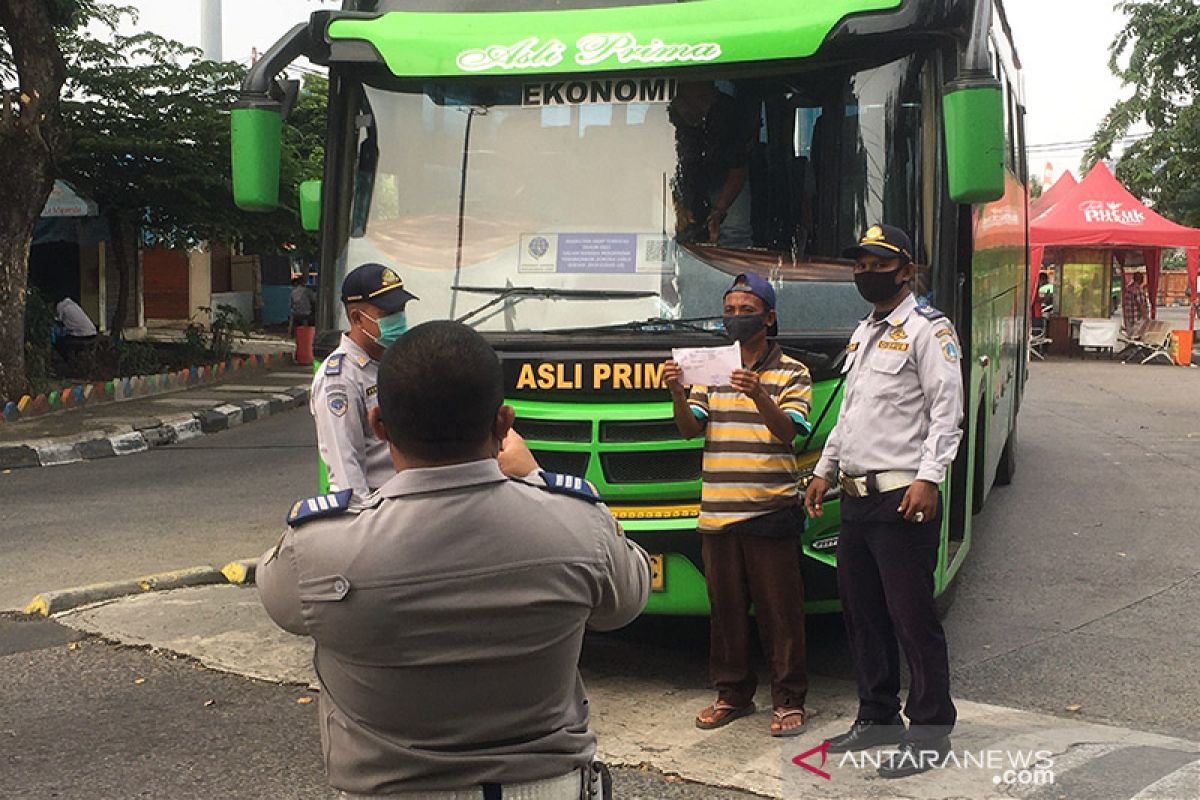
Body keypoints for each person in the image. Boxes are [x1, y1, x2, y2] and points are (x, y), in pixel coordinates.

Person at [257, 320, 651, 799]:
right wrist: (536, 477)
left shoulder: (317, 549)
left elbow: (279, 601)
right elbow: (626, 600)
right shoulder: (576, 526)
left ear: (379, 425)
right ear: (504, 424)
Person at [803, 224, 963, 778]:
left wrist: (930, 478)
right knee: (862, 615)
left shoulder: (928, 331)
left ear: (906, 271)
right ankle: (877, 715)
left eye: (877, 263)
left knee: (911, 619)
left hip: (900, 499)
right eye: (860, 263)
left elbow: (947, 413)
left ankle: (931, 731)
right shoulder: (865, 331)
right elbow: (850, 414)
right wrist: (824, 470)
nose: (865, 272)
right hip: (854, 499)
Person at [662, 272, 812, 737]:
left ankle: (788, 700)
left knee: (779, 612)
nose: (736, 318)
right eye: (730, 310)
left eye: (746, 311)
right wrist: (675, 392)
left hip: (770, 509)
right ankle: (732, 694)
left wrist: (758, 393)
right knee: (725, 611)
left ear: (768, 317)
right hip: (718, 511)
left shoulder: (794, 372)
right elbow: (691, 429)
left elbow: (788, 432)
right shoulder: (712, 371)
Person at [310, 263, 416, 499]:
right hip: (379, 506)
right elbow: (345, 465)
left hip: (411, 501)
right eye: (388, 314)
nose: (399, 319)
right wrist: (364, 524)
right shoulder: (340, 378)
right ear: (357, 318)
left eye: (400, 309)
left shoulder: (397, 360)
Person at [669, 81, 756, 247]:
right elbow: (650, 166)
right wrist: (675, 207)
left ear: (713, 96)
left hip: (725, 175)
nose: (693, 107)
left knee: (735, 232)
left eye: (702, 99)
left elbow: (738, 169)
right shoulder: (660, 113)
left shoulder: (729, 116)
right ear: (675, 99)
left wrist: (718, 212)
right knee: (671, 229)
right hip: (679, 177)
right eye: (685, 100)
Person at [53, 294, 98, 361]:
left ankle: (67, 361)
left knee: (60, 342)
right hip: (92, 332)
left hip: (84, 334)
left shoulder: (61, 306)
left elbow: (59, 321)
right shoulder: (73, 304)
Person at [1122, 271, 1150, 339]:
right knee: (1136, 339)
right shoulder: (1138, 290)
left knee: (1129, 338)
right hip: (1137, 320)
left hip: (1129, 319)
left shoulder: (1128, 288)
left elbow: (1124, 305)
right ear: (1141, 280)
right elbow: (1140, 305)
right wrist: (1146, 318)